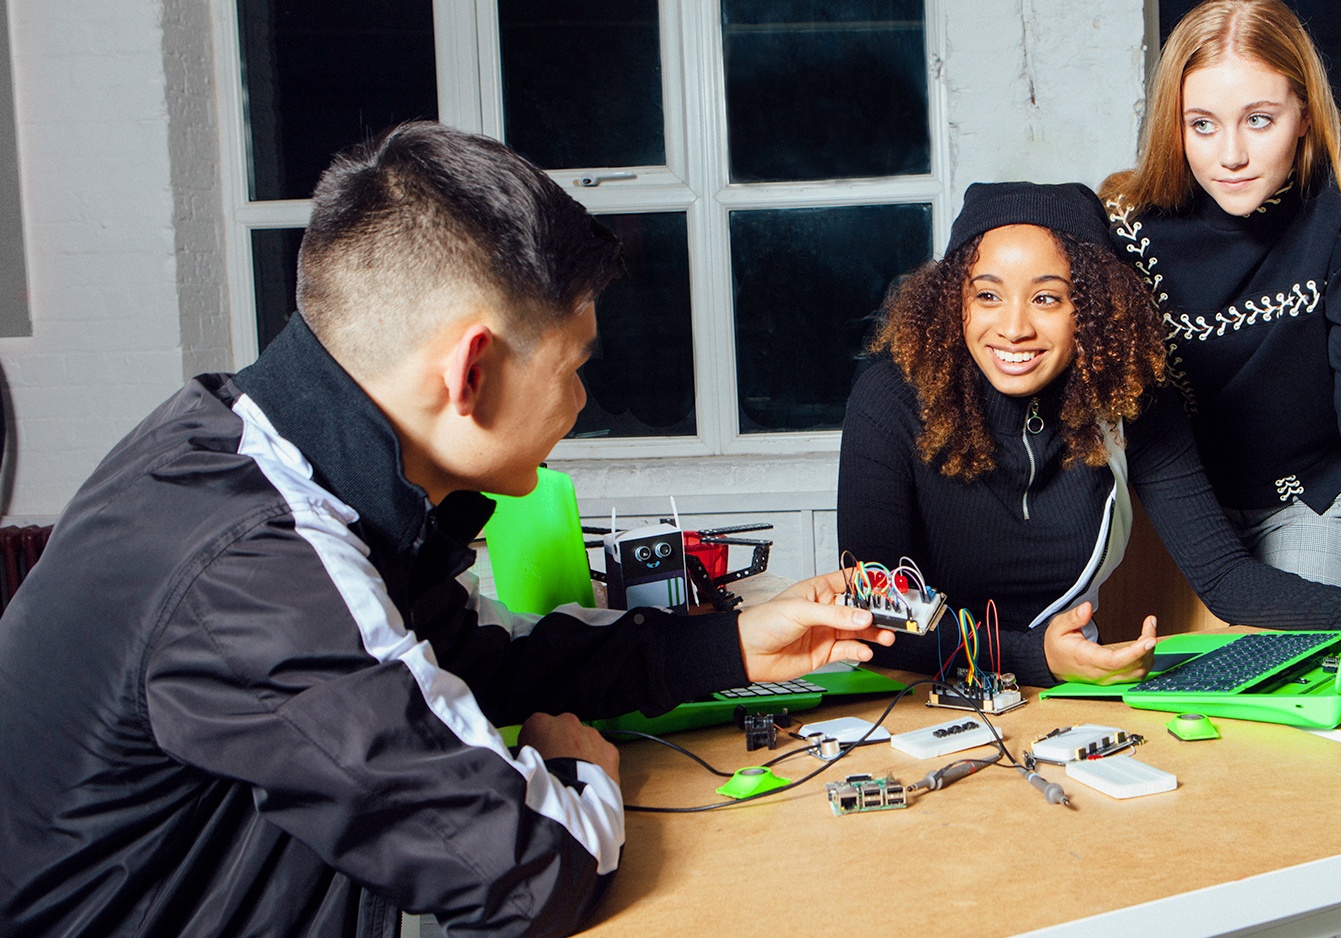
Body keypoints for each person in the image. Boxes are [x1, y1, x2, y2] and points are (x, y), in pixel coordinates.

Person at [0, 122, 890, 938]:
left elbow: (461, 666)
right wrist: (579, 773)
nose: (582, 402)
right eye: (575, 366)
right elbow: (524, 873)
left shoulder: (241, 446)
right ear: (472, 370)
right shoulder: (259, 564)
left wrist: (727, 647)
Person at [838, 181, 1341, 688]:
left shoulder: (1131, 398)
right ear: (954, 301)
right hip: (916, 693)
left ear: (1091, 309)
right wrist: (1037, 656)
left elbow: (1226, 578)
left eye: (1047, 298)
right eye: (988, 295)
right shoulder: (890, 399)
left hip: (1073, 690)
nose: (1014, 327)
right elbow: (878, 617)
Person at [1098, 0, 1341, 650]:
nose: (1230, 154)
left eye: (1259, 120)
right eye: (1202, 124)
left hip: (1312, 495)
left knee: (1317, 676)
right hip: (1179, 505)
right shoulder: (1128, 222)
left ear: (1305, 113)